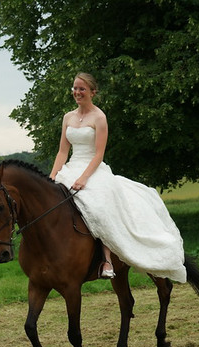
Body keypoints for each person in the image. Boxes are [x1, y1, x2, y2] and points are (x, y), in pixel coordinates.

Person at [49, 72, 188, 283]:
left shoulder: (99, 117)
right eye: (75, 88)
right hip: (70, 167)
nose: (77, 92)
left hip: (93, 170)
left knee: (100, 205)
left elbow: (98, 154)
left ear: (93, 92)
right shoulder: (68, 117)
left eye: (82, 89)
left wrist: (84, 178)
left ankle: (107, 260)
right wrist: (51, 177)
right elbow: (62, 151)